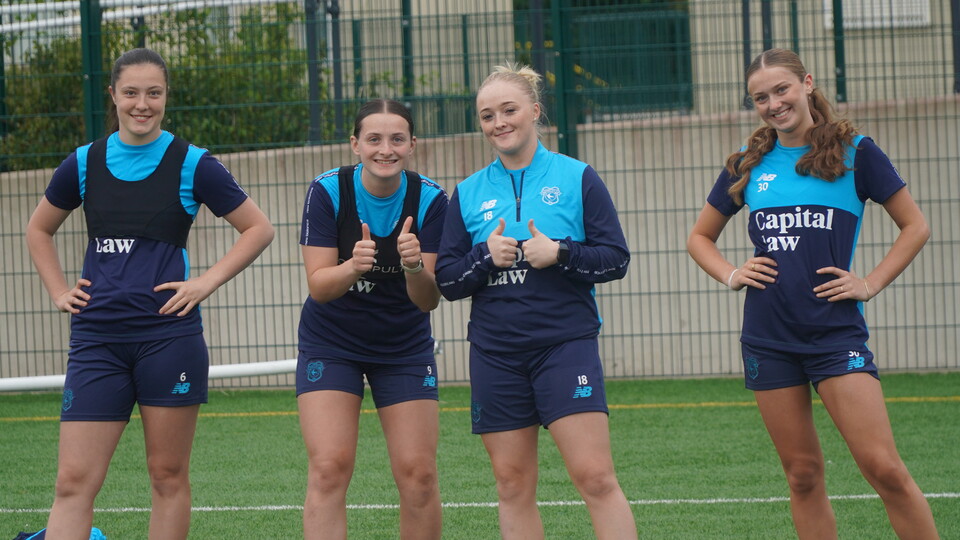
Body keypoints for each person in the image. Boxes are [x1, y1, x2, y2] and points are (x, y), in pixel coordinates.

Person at [687, 48, 939, 539]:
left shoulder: (857, 153)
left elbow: (915, 226)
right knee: (802, 477)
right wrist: (733, 274)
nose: (773, 103)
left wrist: (869, 283)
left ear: (806, 83)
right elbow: (699, 238)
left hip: (834, 334)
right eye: (760, 97)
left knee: (884, 469)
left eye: (781, 89)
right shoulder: (748, 164)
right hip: (768, 338)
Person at [24, 48, 275, 540]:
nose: (143, 104)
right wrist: (58, 290)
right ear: (113, 95)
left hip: (168, 338)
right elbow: (38, 230)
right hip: (96, 342)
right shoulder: (84, 162)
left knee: (167, 477)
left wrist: (204, 282)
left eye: (154, 93)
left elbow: (258, 229)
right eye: (132, 93)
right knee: (74, 481)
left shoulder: (193, 163)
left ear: (166, 98)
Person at [435, 64, 637, 540]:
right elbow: (447, 280)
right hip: (495, 354)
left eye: (509, 110)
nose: (499, 123)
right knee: (511, 484)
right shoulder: (466, 193)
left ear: (534, 112)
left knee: (594, 477)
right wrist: (485, 256)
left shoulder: (577, 177)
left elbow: (616, 259)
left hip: (564, 346)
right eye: (487, 115)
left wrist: (561, 252)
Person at [296, 99, 447, 540]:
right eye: (374, 139)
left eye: (397, 139)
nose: (386, 149)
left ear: (412, 145)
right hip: (332, 341)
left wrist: (416, 267)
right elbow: (320, 287)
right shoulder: (328, 191)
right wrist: (352, 267)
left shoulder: (432, 199)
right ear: (355, 144)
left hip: (403, 346)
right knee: (329, 467)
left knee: (418, 475)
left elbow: (428, 301)